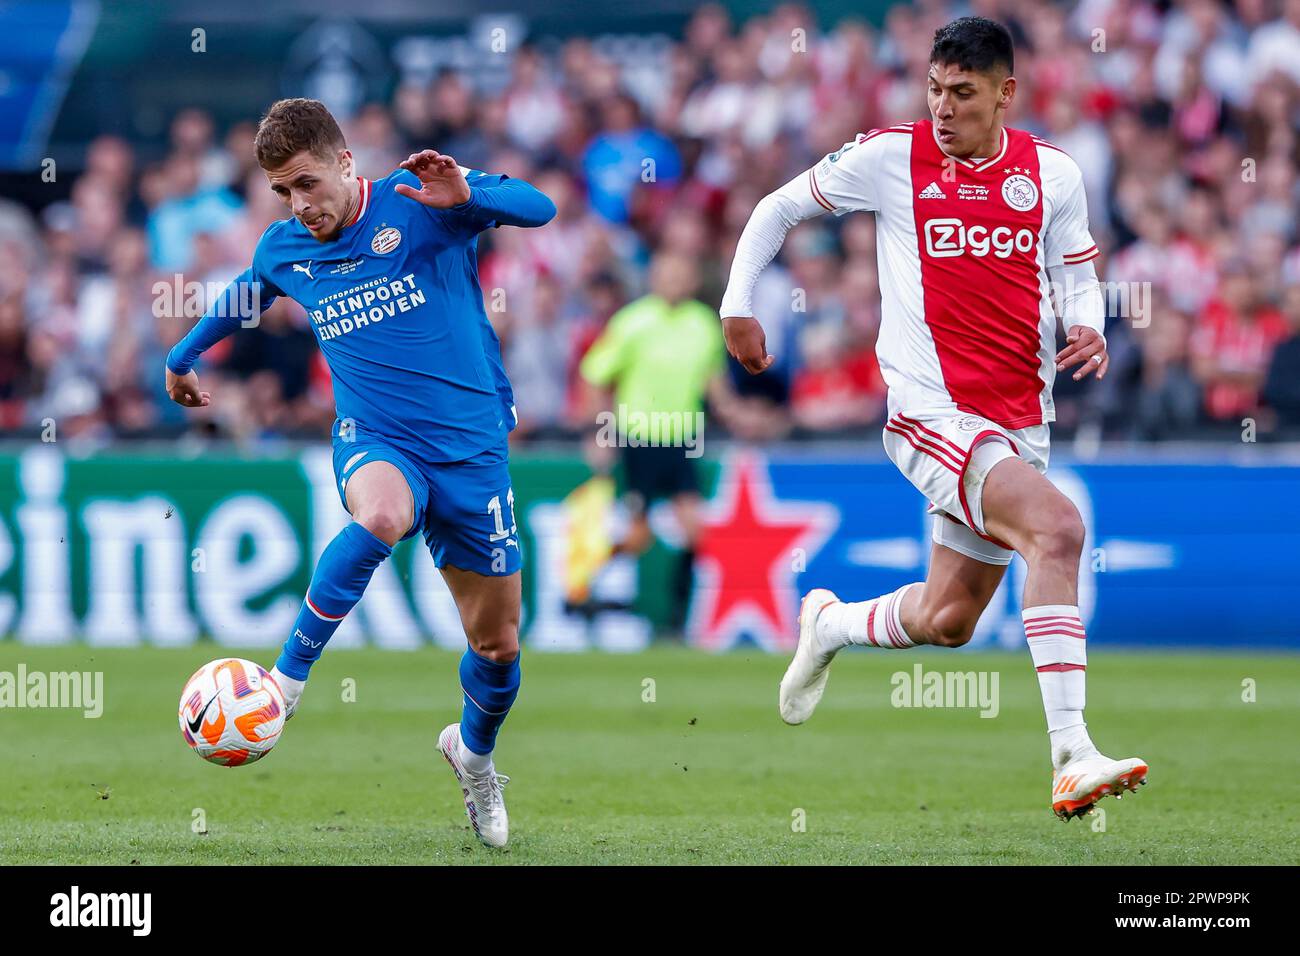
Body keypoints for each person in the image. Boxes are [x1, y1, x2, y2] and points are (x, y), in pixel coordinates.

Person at [719, 17, 1148, 821]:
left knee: (949, 620)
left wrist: (1087, 321)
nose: (943, 110)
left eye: (964, 94)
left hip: (1020, 423)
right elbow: (776, 209)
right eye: (935, 90)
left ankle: (831, 622)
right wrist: (737, 303)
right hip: (931, 412)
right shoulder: (890, 158)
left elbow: (1079, 269)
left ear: (1005, 94)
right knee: (1057, 531)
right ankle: (1072, 754)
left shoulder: (1053, 174)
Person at [164, 98, 555, 847]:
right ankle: (286, 681)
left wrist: (469, 189)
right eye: (283, 191)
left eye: (307, 183)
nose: (298, 204)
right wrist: (184, 357)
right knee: (380, 515)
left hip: (472, 451)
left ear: (347, 162)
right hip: (376, 437)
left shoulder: (422, 204)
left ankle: (472, 757)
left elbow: (539, 206)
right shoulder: (286, 248)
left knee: (498, 648)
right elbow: (249, 292)